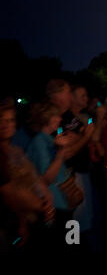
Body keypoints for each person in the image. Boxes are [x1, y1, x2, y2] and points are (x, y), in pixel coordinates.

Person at [26, 101, 82, 252]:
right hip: (54, 207)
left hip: (65, 203)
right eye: (56, 116)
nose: (59, 119)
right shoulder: (39, 141)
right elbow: (46, 179)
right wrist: (61, 153)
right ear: (46, 118)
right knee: (64, 245)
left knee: (73, 242)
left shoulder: (50, 139)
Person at [0, 98, 54, 251]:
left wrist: (47, 200)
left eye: (10, 120)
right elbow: (11, 193)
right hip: (12, 221)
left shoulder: (16, 150)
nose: (6, 125)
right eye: (2, 120)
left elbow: (35, 178)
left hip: (33, 217)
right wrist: (44, 207)